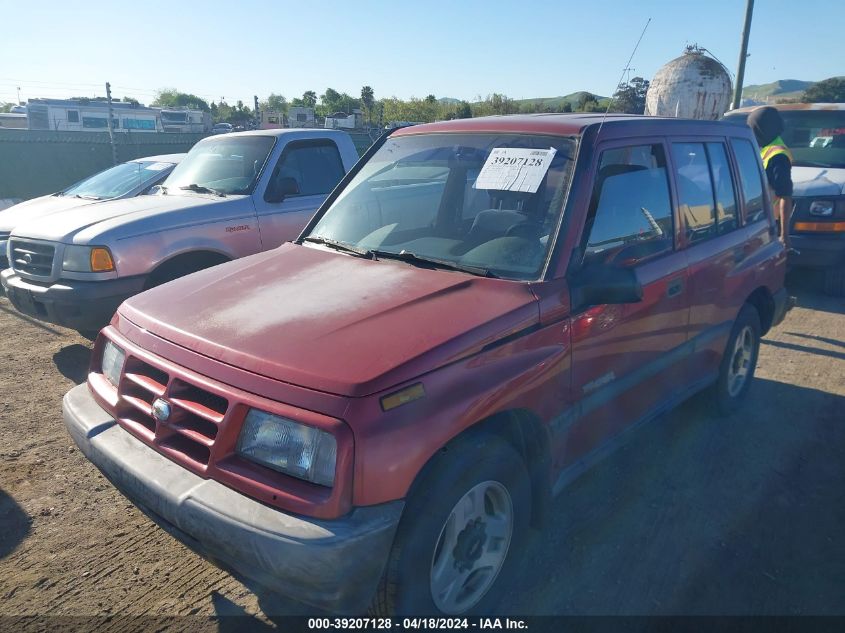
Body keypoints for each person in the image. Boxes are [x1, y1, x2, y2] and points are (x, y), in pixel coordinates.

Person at [747, 106, 795, 252]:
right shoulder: (763, 148)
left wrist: (784, 235)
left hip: (769, 224)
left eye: (752, 127)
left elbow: (785, 196)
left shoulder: (778, 156)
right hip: (755, 220)